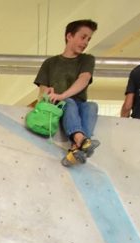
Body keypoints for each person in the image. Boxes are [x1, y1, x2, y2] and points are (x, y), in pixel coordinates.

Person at [35, 19, 100, 167]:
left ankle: (77, 148)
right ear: (69, 36)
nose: (85, 43)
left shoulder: (87, 59)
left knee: (92, 106)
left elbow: (84, 80)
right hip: (59, 105)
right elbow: (42, 93)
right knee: (69, 103)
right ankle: (81, 142)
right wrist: (49, 93)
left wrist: (62, 94)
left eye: (88, 39)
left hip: (78, 104)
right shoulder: (50, 63)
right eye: (83, 37)